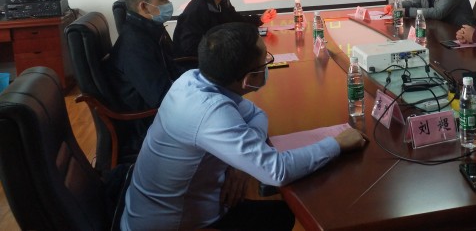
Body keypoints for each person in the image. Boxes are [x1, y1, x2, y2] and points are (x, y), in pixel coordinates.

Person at [122, 22, 366, 231]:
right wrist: (337, 144)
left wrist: (240, 163)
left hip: (171, 208)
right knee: (292, 214)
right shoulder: (210, 111)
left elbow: (257, 114)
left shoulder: (192, 80)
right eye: (265, 60)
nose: (267, 65)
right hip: (176, 225)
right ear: (250, 79)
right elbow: (277, 171)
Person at [108, 0, 183, 155]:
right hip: (149, 123)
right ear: (144, 7)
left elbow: (171, 68)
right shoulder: (135, 46)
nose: (168, 3)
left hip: (164, 109)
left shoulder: (150, 30)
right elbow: (160, 97)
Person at [173, 0, 263, 59]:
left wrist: (260, 19)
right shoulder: (196, 9)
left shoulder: (223, 1)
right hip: (200, 61)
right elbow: (189, 46)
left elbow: (236, 20)